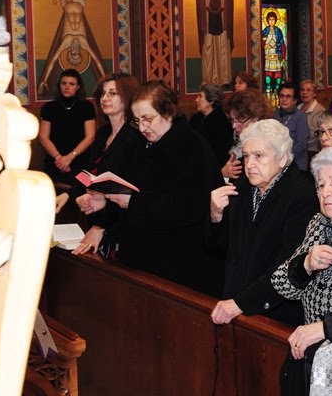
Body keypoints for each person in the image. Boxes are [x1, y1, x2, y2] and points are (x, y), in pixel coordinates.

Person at [88, 80, 225, 291]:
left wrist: (134, 203)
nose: (142, 127)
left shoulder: (192, 147)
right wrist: (106, 204)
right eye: (137, 121)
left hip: (179, 261)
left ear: (168, 112)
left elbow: (189, 207)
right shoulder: (143, 144)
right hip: (142, 256)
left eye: (147, 119)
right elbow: (130, 189)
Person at [208, 120, 318, 327]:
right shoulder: (242, 186)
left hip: (276, 314)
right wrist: (216, 215)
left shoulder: (302, 194)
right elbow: (222, 250)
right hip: (236, 304)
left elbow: (289, 265)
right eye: (246, 156)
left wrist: (242, 303)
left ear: (282, 158)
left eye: (259, 156)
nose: (249, 164)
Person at [272, 147, 332, 395]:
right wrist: (306, 264)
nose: (325, 192)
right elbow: (281, 285)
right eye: (320, 185)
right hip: (314, 354)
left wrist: (325, 328)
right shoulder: (319, 224)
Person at [71, 73, 144, 249]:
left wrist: (101, 225)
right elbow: (90, 173)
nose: (105, 98)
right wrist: (82, 195)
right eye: (103, 93)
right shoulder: (103, 133)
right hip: (98, 214)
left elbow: (129, 187)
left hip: (122, 223)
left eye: (112, 93)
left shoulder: (136, 135)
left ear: (127, 97)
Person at [39, 69, 96, 187]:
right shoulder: (49, 107)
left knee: (80, 190)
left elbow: (90, 137)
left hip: (80, 161)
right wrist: (59, 158)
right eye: (63, 83)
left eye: (71, 84)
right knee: (50, 190)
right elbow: (43, 137)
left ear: (78, 87)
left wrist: (70, 157)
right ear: (59, 85)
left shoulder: (86, 107)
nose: (67, 87)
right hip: (55, 162)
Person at [222, 88, 274, 181]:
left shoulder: (266, 145)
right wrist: (224, 173)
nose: (234, 126)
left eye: (239, 121)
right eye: (232, 120)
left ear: (256, 118)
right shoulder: (234, 139)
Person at [190, 82, 233, 170]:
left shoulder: (221, 122)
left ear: (211, 101)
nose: (196, 100)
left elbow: (219, 153)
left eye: (200, 96)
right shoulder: (196, 118)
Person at [274, 83, 310, 170]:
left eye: (288, 96)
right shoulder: (274, 114)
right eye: (282, 96)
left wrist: (285, 156)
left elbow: (302, 144)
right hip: (276, 161)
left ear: (295, 101)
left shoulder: (300, 116)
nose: (284, 99)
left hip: (296, 163)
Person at [298, 80, 326, 156]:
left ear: (315, 93)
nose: (304, 92)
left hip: (313, 151)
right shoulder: (297, 108)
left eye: (308, 90)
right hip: (298, 150)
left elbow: (318, 134)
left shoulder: (320, 111)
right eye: (302, 90)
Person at [262, 10, 286, 97]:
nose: (271, 21)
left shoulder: (278, 31)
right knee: (268, 72)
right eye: (270, 19)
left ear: (275, 20)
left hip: (276, 55)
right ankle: (268, 89)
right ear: (267, 20)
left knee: (277, 73)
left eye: (273, 19)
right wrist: (264, 43)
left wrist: (283, 57)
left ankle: (277, 89)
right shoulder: (265, 31)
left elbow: (282, 43)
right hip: (268, 55)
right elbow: (260, 42)